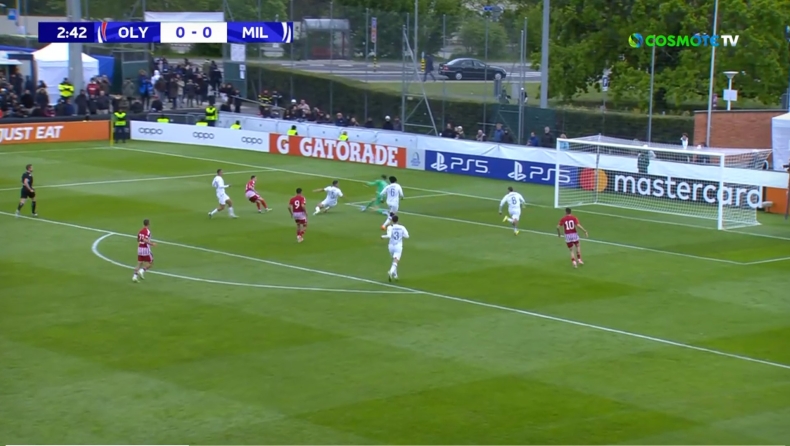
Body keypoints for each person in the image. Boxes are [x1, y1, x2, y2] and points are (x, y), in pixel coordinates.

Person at [381, 215, 409, 282]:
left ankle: (395, 275)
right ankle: (391, 272)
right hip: (398, 246)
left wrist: (382, 236)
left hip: (391, 246)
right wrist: (401, 235)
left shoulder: (390, 227)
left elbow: (389, 236)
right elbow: (407, 236)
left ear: (392, 220)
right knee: (395, 261)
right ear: (398, 220)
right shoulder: (402, 227)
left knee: (394, 261)